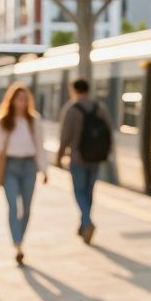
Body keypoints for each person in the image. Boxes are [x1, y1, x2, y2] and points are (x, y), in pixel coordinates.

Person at [0, 82, 49, 265]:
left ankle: (20, 238)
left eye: (25, 99)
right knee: (13, 207)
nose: (22, 102)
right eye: (19, 98)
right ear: (12, 100)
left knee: (27, 207)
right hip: (10, 166)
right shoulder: (4, 120)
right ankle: (17, 244)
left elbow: (40, 146)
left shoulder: (34, 120)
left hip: (29, 165)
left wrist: (45, 170)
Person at [56, 79, 112, 244]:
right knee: (89, 191)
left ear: (74, 90)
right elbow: (108, 130)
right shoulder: (99, 107)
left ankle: (87, 222)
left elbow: (65, 136)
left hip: (78, 158)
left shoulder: (72, 109)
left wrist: (59, 157)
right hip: (96, 158)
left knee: (79, 191)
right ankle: (83, 225)